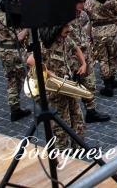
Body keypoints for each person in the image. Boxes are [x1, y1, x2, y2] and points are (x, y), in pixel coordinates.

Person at [26, 23, 86, 151]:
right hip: (55, 92)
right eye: (65, 27)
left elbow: (76, 48)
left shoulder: (65, 39)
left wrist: (84, 63)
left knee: (78, 119)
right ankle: (61, 153)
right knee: (61, 127)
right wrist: (49, 74)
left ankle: (79, 149)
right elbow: (30, 60)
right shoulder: (46, 45)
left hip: (67, 86)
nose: (69, 29)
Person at [68, 0, 111, 122]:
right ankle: (72, 114)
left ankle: (91, 111)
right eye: (79, 2)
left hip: (85, 54)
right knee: (71, 88)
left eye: (84, 1)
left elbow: (87, 34)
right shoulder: (66, 19)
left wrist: (90, 52)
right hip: (71, 58)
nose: (83, 4)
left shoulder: (84, 15)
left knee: (90, 84)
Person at [0, 0, 33, 122]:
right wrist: (26, 27)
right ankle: (44, 105)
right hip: (15, 52)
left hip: (3, 51)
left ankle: (15, 109)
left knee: (11, 80)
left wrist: (3, 39)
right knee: (29, 79)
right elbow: (19, 37)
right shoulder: (10, 17)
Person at [85, 0, 117, 97]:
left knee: (102, 59)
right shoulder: (111, 1)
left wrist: (88, 36)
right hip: (111, 30)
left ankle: (107, 84)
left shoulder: (89, 2)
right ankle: (112, 79)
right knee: (113, 56)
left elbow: (88, 21)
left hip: (97, 32)